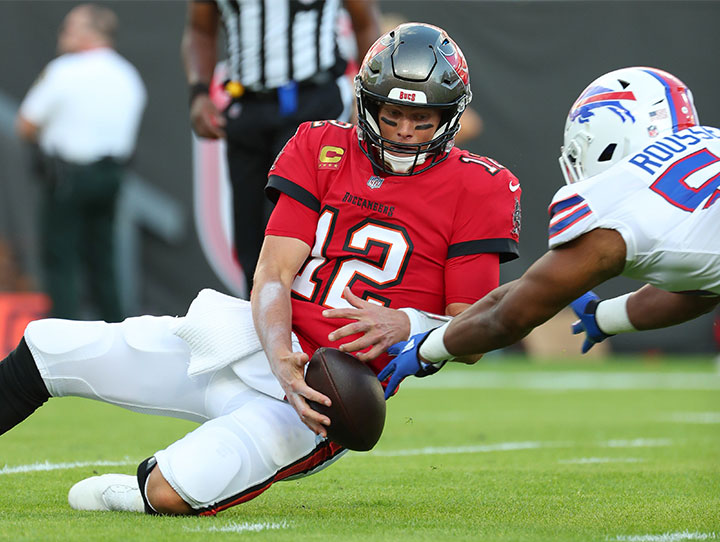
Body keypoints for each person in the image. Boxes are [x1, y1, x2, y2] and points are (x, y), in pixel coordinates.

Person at [0, 23, 521, 516]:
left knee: (174, 491)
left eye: (422, 120)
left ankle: (138, 488)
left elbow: (472, 334)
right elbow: (272, 273)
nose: (405, 132)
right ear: (365, 104)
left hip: (324, 393)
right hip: (252, 342)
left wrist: (407, 323)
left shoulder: (481, 187)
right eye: (390, 115)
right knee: (50, 347)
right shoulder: (322, 145)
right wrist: (279, 356)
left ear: (450, 117)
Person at [379, 66, 720, 397]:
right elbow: (701, 289)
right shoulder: (709, 143)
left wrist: (428, 348)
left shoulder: (617, 196)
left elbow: (511, 315)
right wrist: (604, 318)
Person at [183, 0, 381, 294]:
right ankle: (258, 328)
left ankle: (301, 328)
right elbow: (200, 31)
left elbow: (365, 22)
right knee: (250, 238)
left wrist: (366, 96)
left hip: (312, 101)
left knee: (293, 230)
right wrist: (199, 91)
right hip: (246, 105)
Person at [15, 4, 146, 322]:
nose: (63, 34)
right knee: (103, 258)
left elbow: (27, 124)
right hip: (111, 174)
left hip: (68, 176)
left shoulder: (65, 71)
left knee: (60, 259)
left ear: (91, 33)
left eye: (70, 28)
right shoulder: (128, 75)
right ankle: (115, 330)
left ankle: (61, 336)